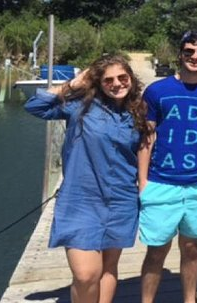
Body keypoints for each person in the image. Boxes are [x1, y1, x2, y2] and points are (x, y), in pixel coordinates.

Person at [24, 54, 148, 303]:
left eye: (122, 78)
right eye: (108, 80)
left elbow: (146, 148)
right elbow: (35, 107)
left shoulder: (138, 112)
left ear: (131, 79)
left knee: (108, 267)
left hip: (121, 199)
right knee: (85, 274)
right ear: (98, 83)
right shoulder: (81, 105)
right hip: (80, 200)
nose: (116, 84)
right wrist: (74, 84)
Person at [138, 30, 197, 303]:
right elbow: (147, 135)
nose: (195, 56)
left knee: (191, 248)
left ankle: (189, 300)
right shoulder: (157, 91)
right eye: (189, 51)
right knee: (156, 250)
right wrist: (143, 181)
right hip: (161, 182)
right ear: (180, 54)